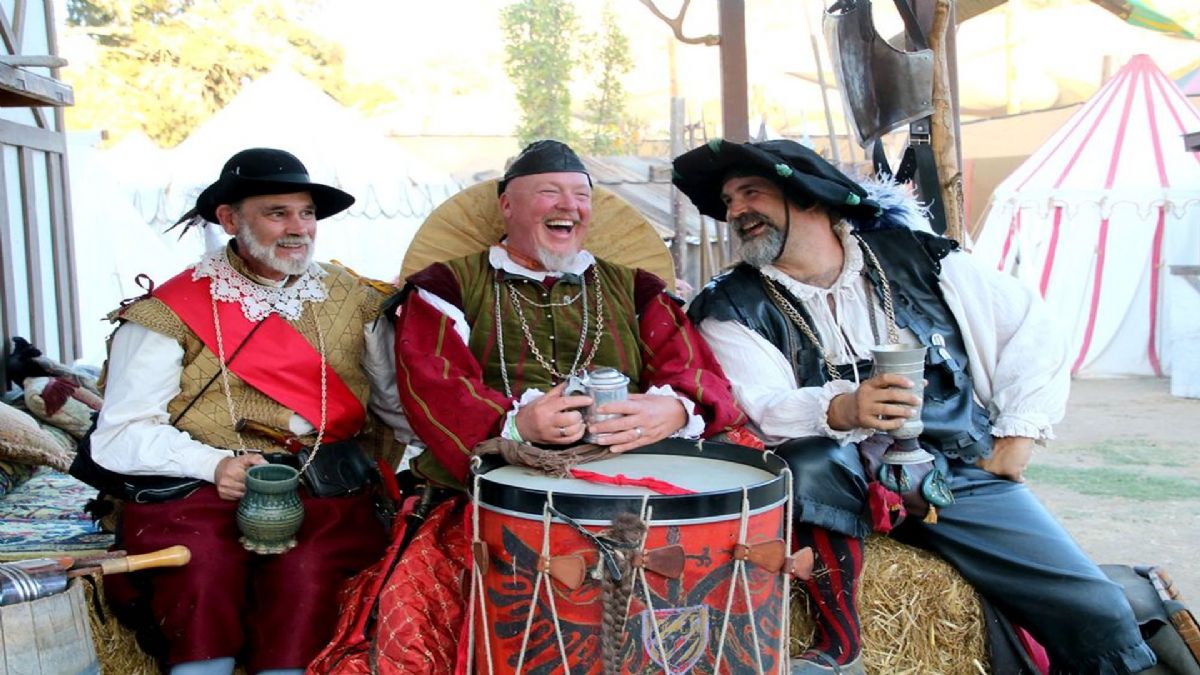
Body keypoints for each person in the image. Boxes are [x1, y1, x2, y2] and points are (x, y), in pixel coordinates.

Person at [673, 139, 1156, 675]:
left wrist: (1018, 434)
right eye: (729, 199)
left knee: (1098, 612)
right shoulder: (729, 305)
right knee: (810, 464)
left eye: (751, 193)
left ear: (809, 196)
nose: (736, 211)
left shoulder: (923, 260)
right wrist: (844, 409)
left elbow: (1029, 326)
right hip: (837, 491)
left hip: (951, 472)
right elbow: (760, 405)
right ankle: (841, 642)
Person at [309, 139, 748, 674]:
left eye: (581, 195)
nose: (569, 205)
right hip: (491, 488)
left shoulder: (636, 288)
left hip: (635, 485)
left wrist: (676, 410)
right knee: (425, 617)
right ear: (508, 207)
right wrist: (515, 424)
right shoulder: (446, 286)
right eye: (549, 192)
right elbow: (434, 385)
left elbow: (696, 371)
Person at [90, 148, 406, 675]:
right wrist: (214, 466)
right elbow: (119, 434)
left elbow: (396, 406)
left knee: (309, 572)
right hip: (197, 487)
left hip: (323, 484)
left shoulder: (357, 299)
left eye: (306, 213)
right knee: (202, 566)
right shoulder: (166, 313)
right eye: (276, 212)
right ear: (230, 219)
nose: (297, 228)